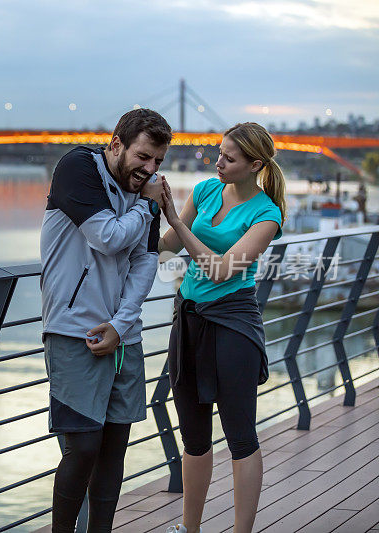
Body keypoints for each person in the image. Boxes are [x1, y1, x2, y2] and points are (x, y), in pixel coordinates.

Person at [40, 108, 172, 532]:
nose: (150, 170)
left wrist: (122, 323)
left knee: (115, 447)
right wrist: (148, 206)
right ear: (117, 144)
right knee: (83, 447)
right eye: (143, 157)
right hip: (74, 330)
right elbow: (108, 237)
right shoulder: (78, 167)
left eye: (158, 163)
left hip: (124, 334)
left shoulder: (143, 193)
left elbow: (145, 263)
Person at [158, 122, 285, 533]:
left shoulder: (267, 214)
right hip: (189, 321)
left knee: (240, 437)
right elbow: (165, 248)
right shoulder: (205, 191)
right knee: (193, 438)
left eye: (229, 158)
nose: (219, 162)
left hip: (233, 325)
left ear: (255, 165)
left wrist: (177, 222)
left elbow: (221, 270)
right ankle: (189, 529)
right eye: (219, 152)